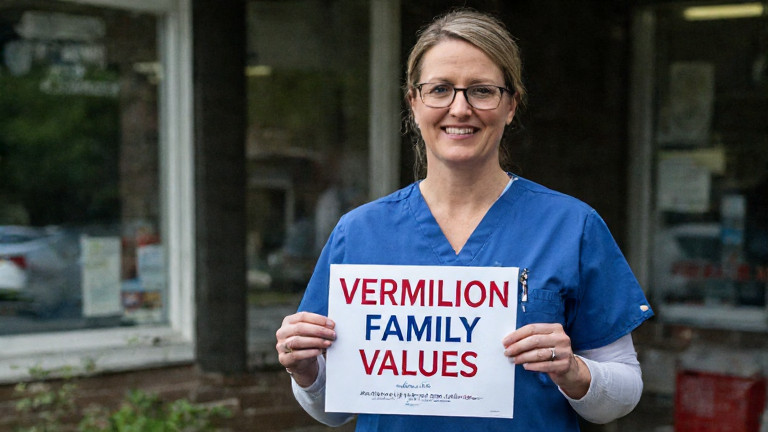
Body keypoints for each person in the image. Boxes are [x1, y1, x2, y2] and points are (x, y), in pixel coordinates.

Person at [275, 8, 653, 431]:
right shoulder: (359, 232)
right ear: (413, 103)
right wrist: (306, 371)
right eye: (439, 89)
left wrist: (574, 372)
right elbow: (334, 409)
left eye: (482, 90)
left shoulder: (571, 226)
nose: (460, 108)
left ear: (511, 105)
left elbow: (622, 394)